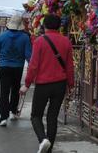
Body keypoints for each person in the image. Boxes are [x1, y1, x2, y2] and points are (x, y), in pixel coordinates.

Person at [21, 14, 74, 153]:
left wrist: (26, 84)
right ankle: (48, 149)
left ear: (44, 26)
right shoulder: (66, 41)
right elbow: (69, 66)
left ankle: (43, 139)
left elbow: (33, 65)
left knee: (36, 115)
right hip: (60, 84)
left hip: (43, 84)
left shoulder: (39, 41)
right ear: (59, 26)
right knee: (52, 116)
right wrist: (71, 84)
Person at [0, 13, 31, 126]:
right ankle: (13, 111)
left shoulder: (1, 36)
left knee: (4, 92)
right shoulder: (25, 38)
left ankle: (3, 117)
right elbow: (28, 55)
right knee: (15, 90)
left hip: (4, 67)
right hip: (18, 68)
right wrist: (32, 68)